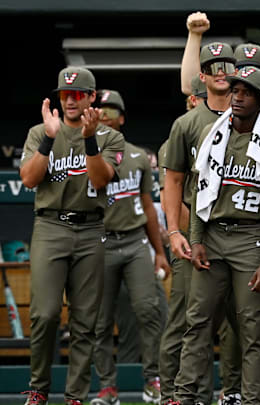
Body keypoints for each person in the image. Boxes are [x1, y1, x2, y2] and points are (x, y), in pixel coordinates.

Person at [170, 66, 260, 405]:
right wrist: (196, 239)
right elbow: (200, 193)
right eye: (235, 91)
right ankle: (185, 397)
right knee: (197, 322)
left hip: (252, 237)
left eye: (246, 92)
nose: (238, 97)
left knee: (252, 329)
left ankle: (254, 399)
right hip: (213, 236)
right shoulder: (212, 135)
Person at [20, 67, 125, 405]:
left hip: (90, 228)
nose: (71, 100)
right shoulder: (40, 131)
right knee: (45, 314)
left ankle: (76, 394)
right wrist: (49, 139)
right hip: (51, 226)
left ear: (92, 97)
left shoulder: (109, 136)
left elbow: (99, 181)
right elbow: (29, 180)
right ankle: (39, 387)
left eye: (79, 94)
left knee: (85, 321)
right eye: (66, 95)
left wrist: (90, 139)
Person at [161, 41, 237, 405]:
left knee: (239, 322)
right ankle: (176, 394)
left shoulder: (255, 114)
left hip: (242, 232)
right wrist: (175, 230)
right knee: (188, 320)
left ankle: (233, 392)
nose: (221, 71)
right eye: (213, 66)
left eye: (228, 64)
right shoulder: (187, 123)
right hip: (195, 232)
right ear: (202, 77)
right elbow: (173, 182)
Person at [90, 90, 171, 405]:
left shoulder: (138, 155)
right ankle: (107, 388)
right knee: (99, 319)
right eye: (102, 110)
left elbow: (149, 207)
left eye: (113, 110)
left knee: (149, 310)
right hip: (100, 241)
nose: (107, 115)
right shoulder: (86, 154)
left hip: (135, 240)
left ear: (122, 118)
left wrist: (160, 252)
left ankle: (153, 380)